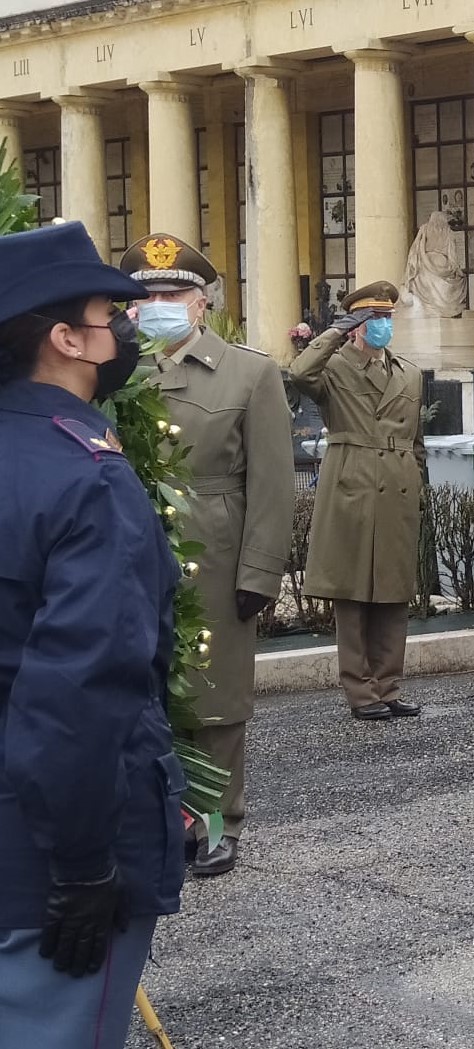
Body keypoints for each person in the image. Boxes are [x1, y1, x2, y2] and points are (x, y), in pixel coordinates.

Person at [0, 222, 185, 1043]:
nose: (125, 334)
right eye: (111, 315)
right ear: (66, 339)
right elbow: (79, 694)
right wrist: (83, 865)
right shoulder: (88, 476)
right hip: (46, 860)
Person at [122, 233, 295, 877]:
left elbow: (273, 484)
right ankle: (154, 816)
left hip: (215, 555)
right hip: (134, 550)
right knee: (141, 689)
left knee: (214, 697)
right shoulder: (116, 368)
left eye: (174, 293)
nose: (160, 304)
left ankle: (218, 823)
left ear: (203, 303)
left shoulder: (250, 372)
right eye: (147, 295)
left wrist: (261, 571)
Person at [291, 281, 427, 721]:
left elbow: (417, 441)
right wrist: (333, 332)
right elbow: (299, 372)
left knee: (393, 593)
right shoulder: (334, 368)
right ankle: (360, 691)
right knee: (351, 594)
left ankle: (388, 686)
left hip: (398, 485)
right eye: (372, 319)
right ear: (355, 326)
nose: (382, 325)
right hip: (352, 482)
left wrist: (419, 485)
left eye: (387, 318)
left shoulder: (408, 372)